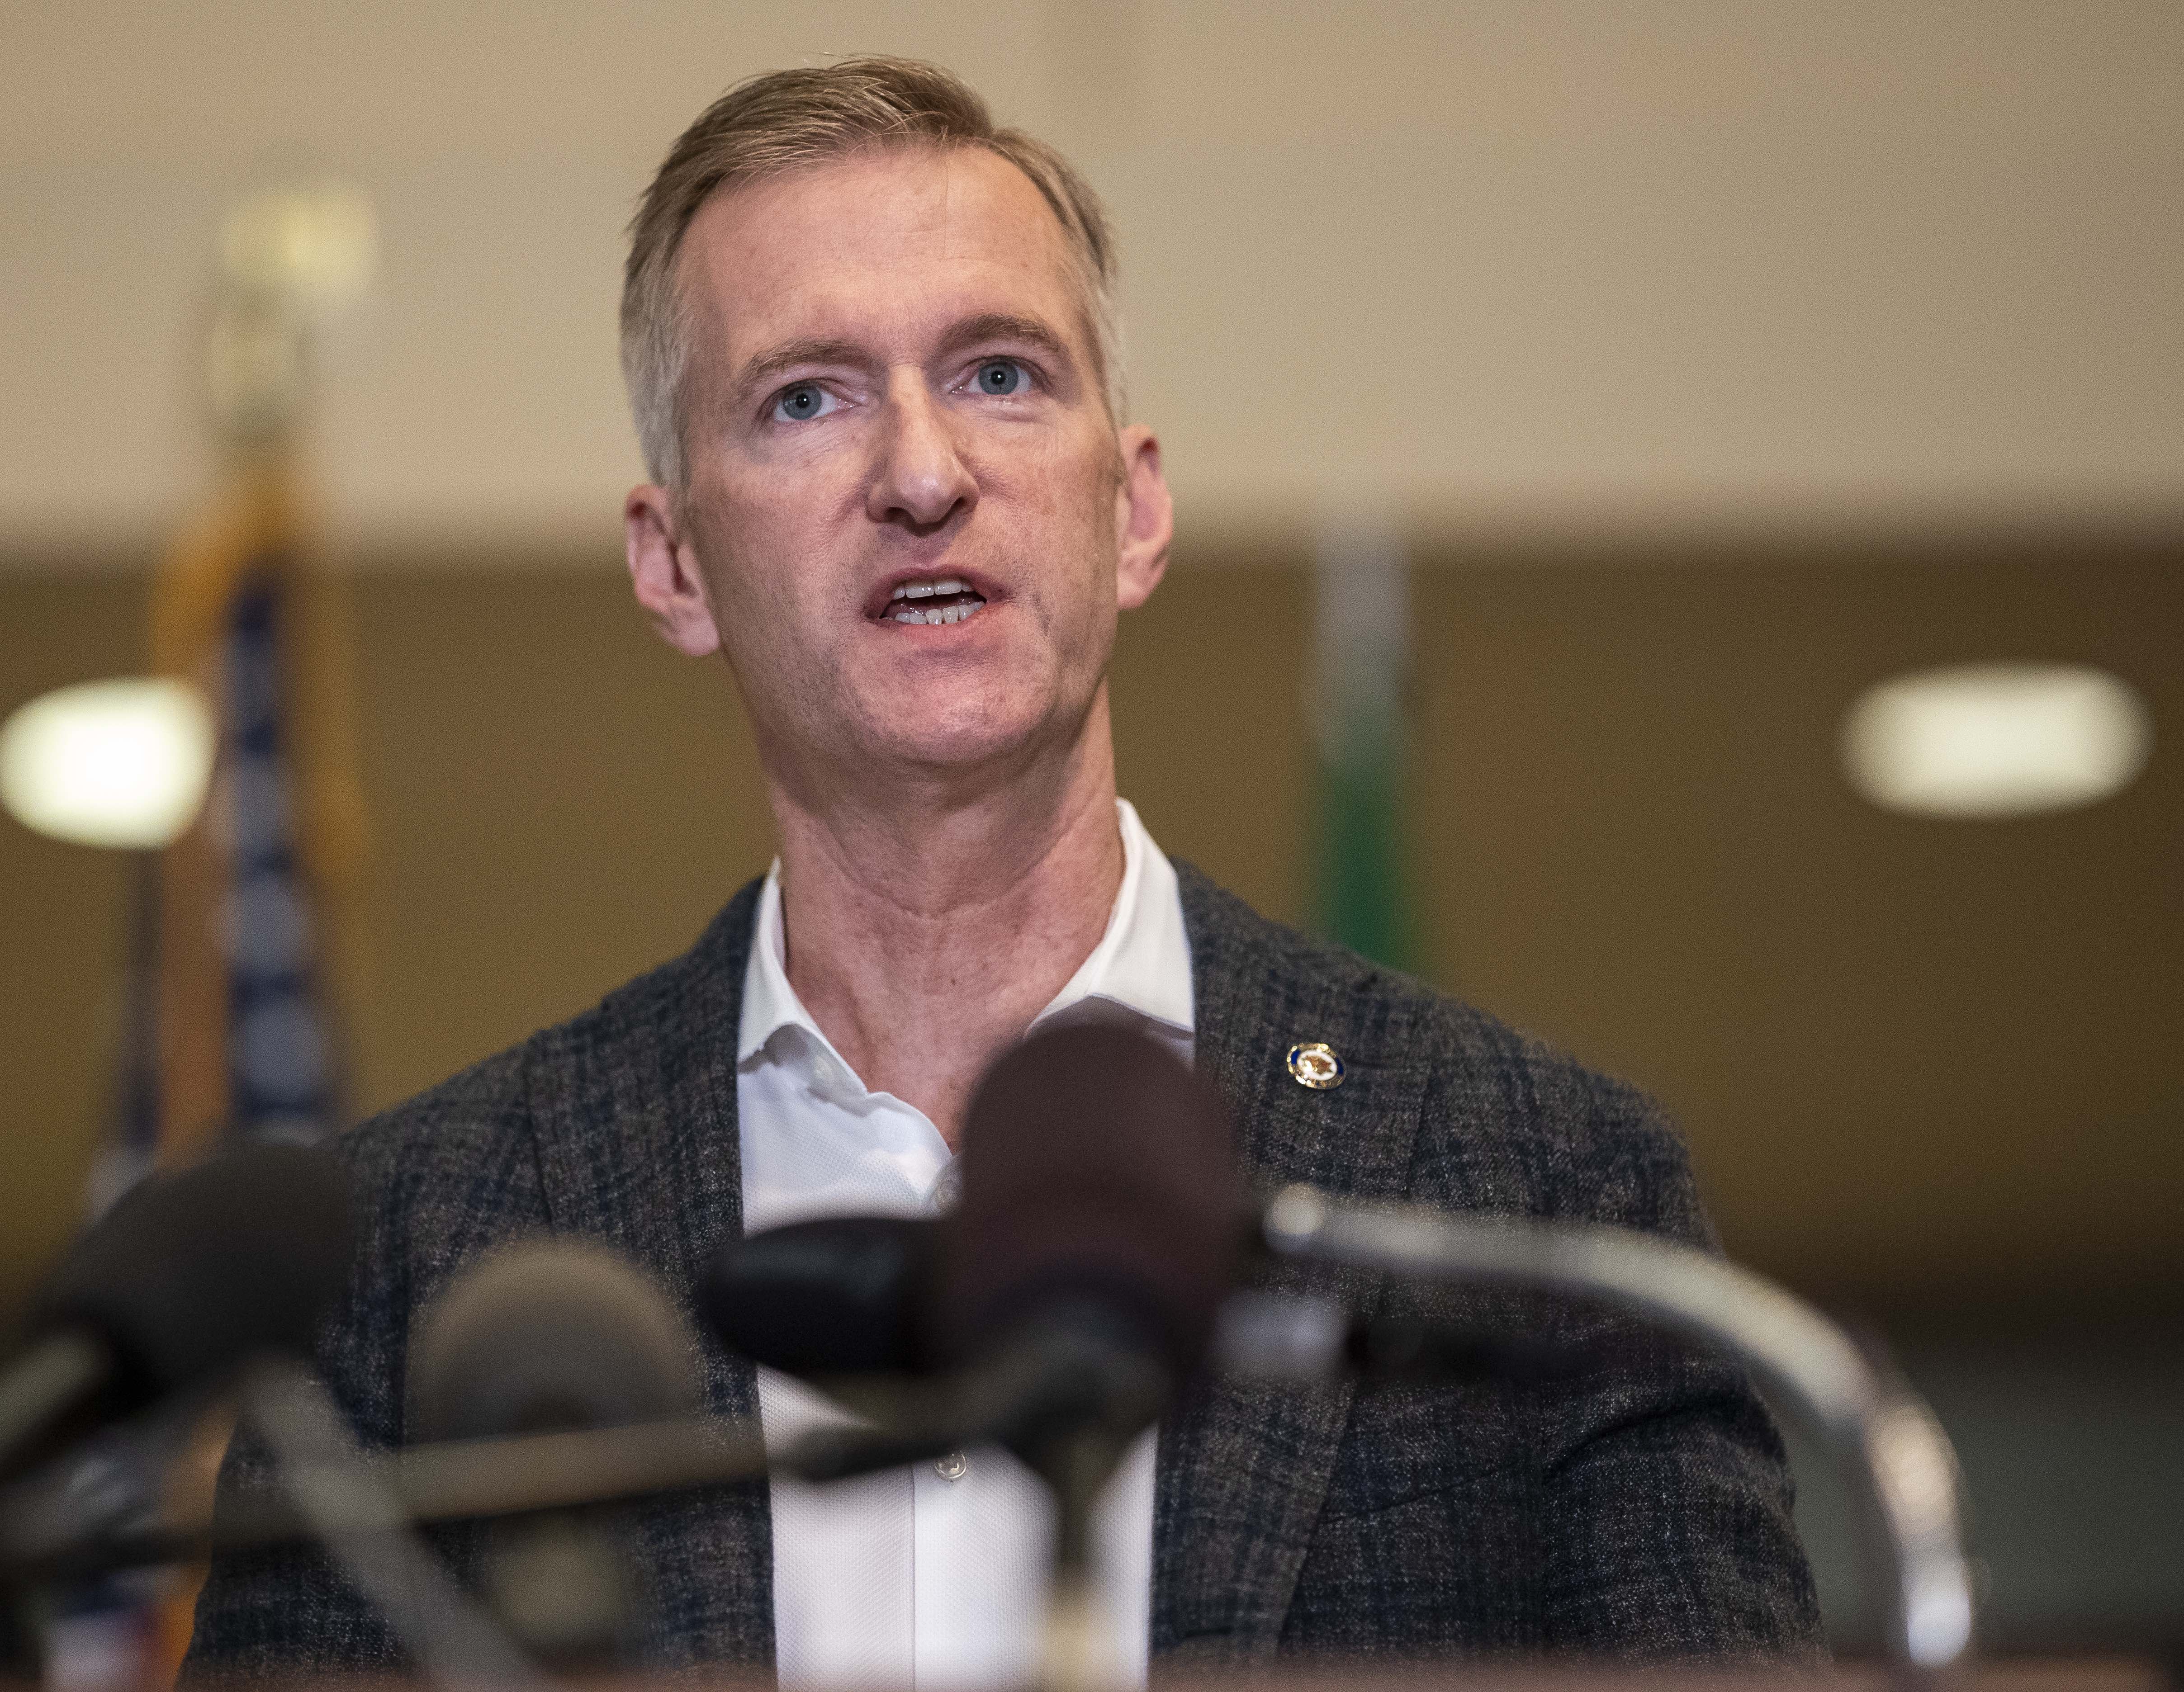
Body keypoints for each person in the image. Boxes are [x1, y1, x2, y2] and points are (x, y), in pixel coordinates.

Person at [183, 57, 1820, 1684]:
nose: (919, 473)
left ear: (1135, 509)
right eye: (806, 397)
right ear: (674, 562)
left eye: (1001, 375)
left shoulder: (1532, 1190)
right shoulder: (410, 1263)